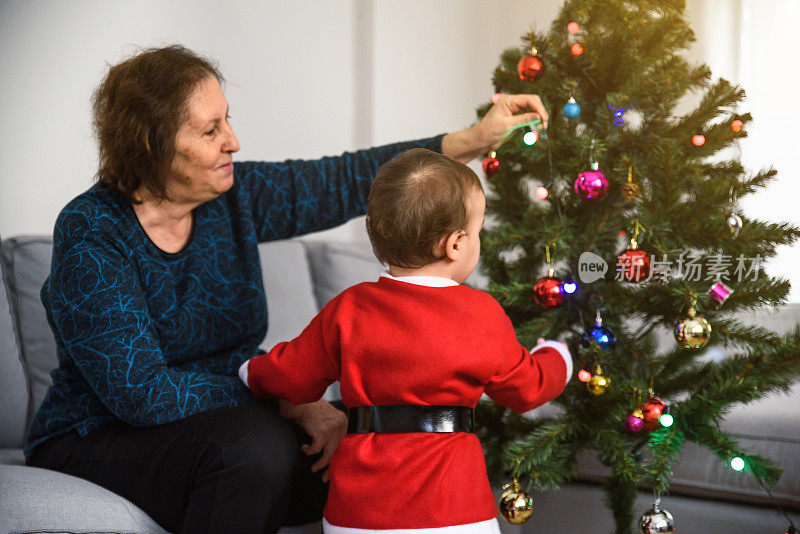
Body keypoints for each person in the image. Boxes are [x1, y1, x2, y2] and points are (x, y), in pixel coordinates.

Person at [23, 44, 550, 534]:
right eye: (210, 130)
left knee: (362, 443)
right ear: (150, 143)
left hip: (227, 413)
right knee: (257, 450)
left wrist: (469, 142)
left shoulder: (235, 195)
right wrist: (286, 401)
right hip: (98, 434)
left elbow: (342, 181)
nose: (234, 139)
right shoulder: (93, 231)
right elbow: (142, 394)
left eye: (227, 118)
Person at [240, 148, 572, 533]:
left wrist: (250, 369)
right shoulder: (480, 313)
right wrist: (556, 355)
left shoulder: (349, 309)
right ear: (457, 244)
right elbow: (527, 388)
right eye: (478, 231)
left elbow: (289, 375)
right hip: (455, 510)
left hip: (359, 513)